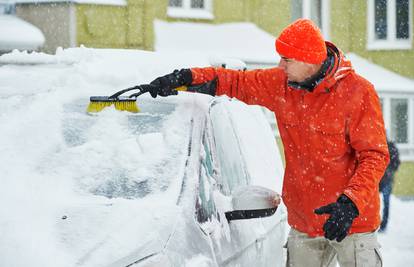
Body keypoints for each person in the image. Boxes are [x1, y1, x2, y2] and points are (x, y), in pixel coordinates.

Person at [148, 19, 390, 267]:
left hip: (353, 221)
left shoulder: (358, 92)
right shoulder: (282, 85)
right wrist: (185, 78)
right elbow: (232, 82)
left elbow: (375, 155)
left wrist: (350, 203)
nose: (280, 65)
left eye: (287, 59)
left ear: (309, 60)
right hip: (305, 223)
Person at [379, 139, 400, 232]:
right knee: (384, 203)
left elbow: (396, 162)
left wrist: (389, 170)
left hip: (382, 179)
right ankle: (381, 224)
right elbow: (396, 163)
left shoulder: (383, 145)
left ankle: (382, 224)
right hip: (381, 179)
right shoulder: (386, 145)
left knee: (384, 203)